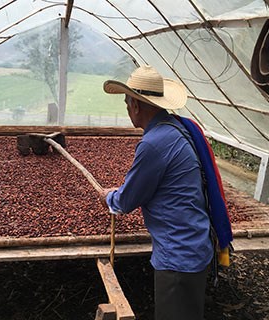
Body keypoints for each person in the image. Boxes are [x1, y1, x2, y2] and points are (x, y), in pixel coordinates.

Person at [99, 65, 231, 320]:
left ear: (136, 106)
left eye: (127, 104)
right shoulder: (177, 129)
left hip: (178, 257)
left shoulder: (153, 144)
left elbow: (127, 201)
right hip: (196, 243)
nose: (127, 110)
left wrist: (108, 196)